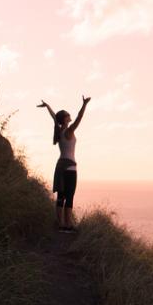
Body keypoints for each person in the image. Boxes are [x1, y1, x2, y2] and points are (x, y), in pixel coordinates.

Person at [37, 95, 90, 230]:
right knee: (69, 196)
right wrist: (84, 104)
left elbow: (54, 117)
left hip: (60, 166)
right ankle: (68, 224)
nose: (69, 115)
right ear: (65, 119)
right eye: (67, 115)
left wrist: (47, 106)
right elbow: (79, 118)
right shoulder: (69, 130)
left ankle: (60, 223)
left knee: (61, 196)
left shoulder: (58, 130)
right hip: (70, 166)